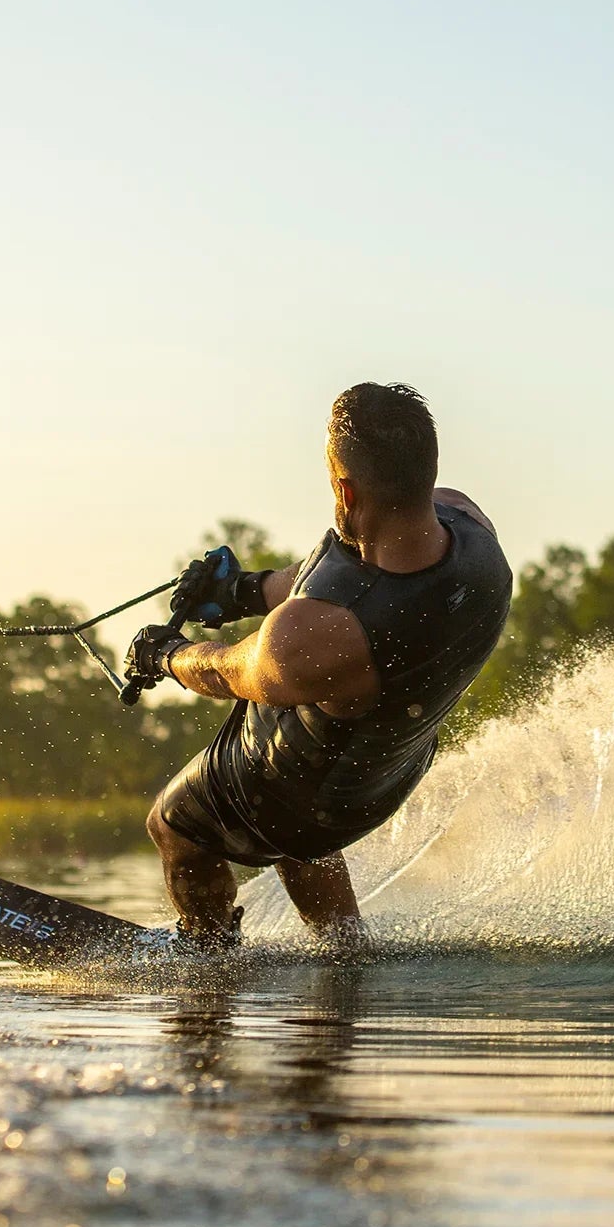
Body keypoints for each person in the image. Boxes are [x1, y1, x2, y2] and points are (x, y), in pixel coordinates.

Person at [125, 382, 511, 951]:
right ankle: (345, 949)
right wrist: (245, 591)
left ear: (345, 489)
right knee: (308, 777)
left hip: (313, 800)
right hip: (388, 765)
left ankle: (204, 962)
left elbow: (231, 670)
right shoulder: (466, 523)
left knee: (175, 824)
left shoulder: (322, 637)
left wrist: (166, 655)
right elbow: (336, 569)